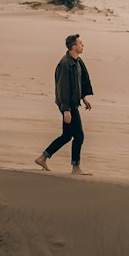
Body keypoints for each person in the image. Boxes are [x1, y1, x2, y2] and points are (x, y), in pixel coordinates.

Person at [35, 33, 93, 175]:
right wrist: (66, 110)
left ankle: (43, 157)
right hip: (68, 105)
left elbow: (81, 81)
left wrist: (83, 97)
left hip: (73, 103)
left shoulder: (77, 61)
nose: (82, 45)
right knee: (79, 136)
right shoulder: (65, 64)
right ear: (74, 47)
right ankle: (75, 167)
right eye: (80, 43)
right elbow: (63, 88)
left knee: (67, 135)